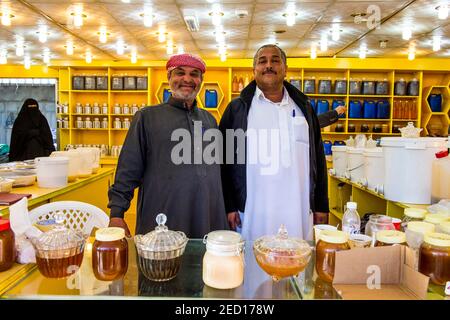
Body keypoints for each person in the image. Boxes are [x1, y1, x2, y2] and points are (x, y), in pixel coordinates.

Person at [108, 53, 229, 238]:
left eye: (194, 74)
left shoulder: (209, 120)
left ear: (201, 80)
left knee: (203, 264)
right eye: (180, 73)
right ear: (169, 78)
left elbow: (217, 171)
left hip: (207, 215)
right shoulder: (147, 118)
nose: (187, 79)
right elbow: (128, 168)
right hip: (162, 215)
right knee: (162, 264)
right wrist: (117, 214)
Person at [219, 44, 329, 241]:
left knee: (297, 265)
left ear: (285, 69)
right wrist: (228, 205)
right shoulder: (237, 109)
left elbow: (318, 159)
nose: (268, 65)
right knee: (252, 266)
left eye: (275, 60)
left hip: (298, 211)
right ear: (254, 71)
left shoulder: (304, 108)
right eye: (262, 61)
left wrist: (321, 204)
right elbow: (223, 161)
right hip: (252, 213)